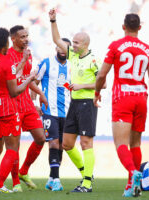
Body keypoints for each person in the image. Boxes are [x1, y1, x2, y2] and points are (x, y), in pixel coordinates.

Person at [94, 13, 149, 197]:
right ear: (140, 28)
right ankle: (131, 186)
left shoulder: (116, 46)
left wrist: (96, 93)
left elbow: (102, 74)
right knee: (135, 143)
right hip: (141, 98)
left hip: (122, 97)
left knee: (121, 143)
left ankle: (133, 173)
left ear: (123, 26)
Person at [49, 8, 105, 193]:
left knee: (86, 143)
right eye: (72, 42)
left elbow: (102, 85)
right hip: (73, 104)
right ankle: (86, 172)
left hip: (87, 104)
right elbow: (57, 40)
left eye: (76, 42)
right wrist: (53, 21)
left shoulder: (93, 60)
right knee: (66, 144)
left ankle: (87, 183)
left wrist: (83, 86)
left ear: (86, 44)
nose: (72, 45)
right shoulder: (73, 55)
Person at [0, 27, 36, 193]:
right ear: (4, 44)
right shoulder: (6, 62)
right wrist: (29, 79)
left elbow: (4, 74)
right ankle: (0, 184)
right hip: (7, 110)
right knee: (12, 148)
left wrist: (22, 63)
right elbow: (15, 91)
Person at [7, 25, 48, 192]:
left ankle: (23, 171)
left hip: (27, 104)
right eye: (22, 36)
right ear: (13, 39)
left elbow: (27, 78)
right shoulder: (8, 55)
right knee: (14, 146)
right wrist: (23, 60)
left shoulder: (28, 54)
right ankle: (16, 182)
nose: (26, 39)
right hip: (13, 104)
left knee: (41, 138)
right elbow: (13, 77)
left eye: (27, 36)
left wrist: (40, 93)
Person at [31, 38, 72, 191]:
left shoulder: (72, 66)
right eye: (60, 47)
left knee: (61, 145)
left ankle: (51, 178)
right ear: (55, 47)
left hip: (67, 112)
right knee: (53, 143)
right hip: (49, 110)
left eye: (65, 48)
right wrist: (35, 103)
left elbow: (69, 86)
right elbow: (34, 82)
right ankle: (56, 180)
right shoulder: (46, 63)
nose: (62, 50)